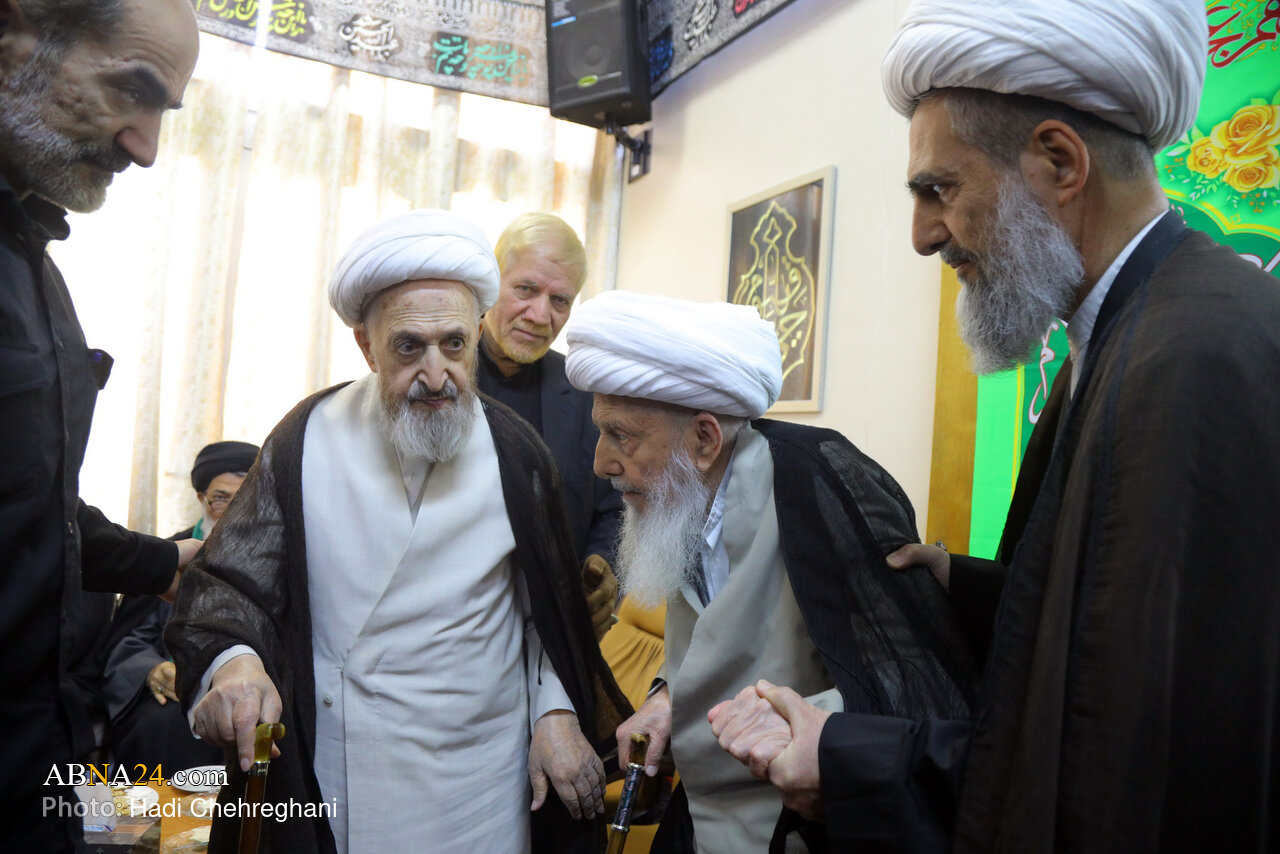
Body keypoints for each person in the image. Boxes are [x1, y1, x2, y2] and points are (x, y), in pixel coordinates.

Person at [713, 1, 1280, 851]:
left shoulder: (1194, 358)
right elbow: (1109, 631)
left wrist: (850, 757)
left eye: (938, 190)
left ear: (1059, 162)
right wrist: (963, 590)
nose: (922, 236)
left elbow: (1131, 766)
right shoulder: (1131, 331)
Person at [166, 209, 630, 854]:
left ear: (475, 335)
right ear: (366, 345)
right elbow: (230, 581)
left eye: (454, 345)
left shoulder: (518, 451)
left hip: (480, 778)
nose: (436, 375)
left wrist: (555, 711)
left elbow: (548, 616)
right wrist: (235, 665)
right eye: (409, 346)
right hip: (343, 765)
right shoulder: (306, 436)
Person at [563, 290, 977, 852]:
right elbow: (713, 639)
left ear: (705, 438)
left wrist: (798, 725)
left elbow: (915, 686)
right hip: (703, 815)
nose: (601, 463)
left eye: (621, 436)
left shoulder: (817, 483)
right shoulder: (682, 494)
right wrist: (665, 698)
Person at [0, 0, 200, 849]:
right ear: (13, 34)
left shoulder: (33, 262)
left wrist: (165, 564)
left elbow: (33, 502)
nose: (145, 147)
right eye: (132, 90)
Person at [479, 213, 623, 640]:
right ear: (489, 283)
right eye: (525, 289)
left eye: (560, 300)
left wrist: (602, 567)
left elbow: (615, 507)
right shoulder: (439, 376)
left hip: (552, 636)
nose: (540, 315)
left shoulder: (586, 393)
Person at [104, 441, 259, 777]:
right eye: (221, 498)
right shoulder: (169, 555)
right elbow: (131, 636)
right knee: (160, 726)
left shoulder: (278, 561)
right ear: (202, 498)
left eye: (244, 498)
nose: (232, 510)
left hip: (253, 689)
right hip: (174, 697)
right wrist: (151, 669)